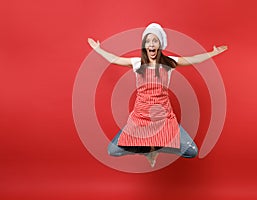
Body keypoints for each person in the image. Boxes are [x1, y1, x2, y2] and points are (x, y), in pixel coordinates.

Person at [88, 23, 227, 167]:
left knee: (192, 151)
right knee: (113, 150)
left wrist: (213, 53)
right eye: (148, 41)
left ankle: (156, 146)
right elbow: (114, 59)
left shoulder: (169, 62)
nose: (151, 44)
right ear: (144, 45)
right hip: (140, 119)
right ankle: (148, 150)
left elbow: (194, 59)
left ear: (160, 44)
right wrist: (98, 50)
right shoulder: (137, 63)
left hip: (164, 119)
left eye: (155, 40)